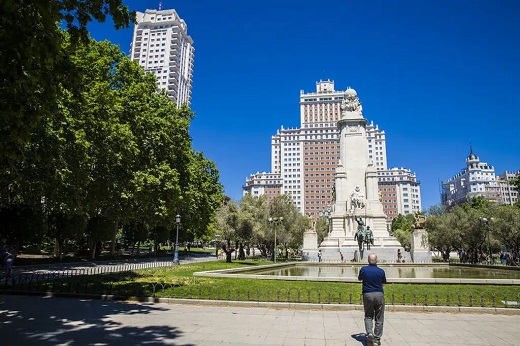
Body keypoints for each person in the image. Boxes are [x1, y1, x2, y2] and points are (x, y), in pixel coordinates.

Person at [358, 253, 386, 346]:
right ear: (376, 260)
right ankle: (377, 339)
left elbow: (359, 279)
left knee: (368, 315)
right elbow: (383, 282)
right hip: (379, 294)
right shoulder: (381, 271)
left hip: (367, 294)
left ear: (368, 261)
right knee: (379, 317)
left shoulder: (363, 270)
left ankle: (369, 333)